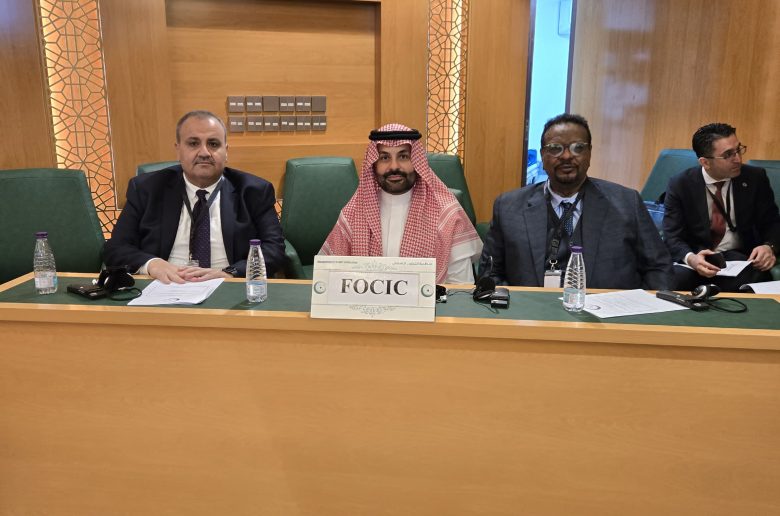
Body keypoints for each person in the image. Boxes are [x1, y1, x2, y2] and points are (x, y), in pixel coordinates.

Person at [479, 113, 673, 289]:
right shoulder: (508, 207)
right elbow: (490, 274)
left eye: (577, 148)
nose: (566, 156)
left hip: (607, 313)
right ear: (542, 155)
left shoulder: (627, 203)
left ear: (589, 153)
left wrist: (642, 310)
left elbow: (659, 267)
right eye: (555, 149)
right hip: (531, 313)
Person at [104, 110, 285, 283]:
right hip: (165, 284)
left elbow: (274, 249)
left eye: (213, 144)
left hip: (227, 284)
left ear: (226, 151)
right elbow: (116, 248)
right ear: (178, 150)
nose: (204, 153)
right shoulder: (147, 189)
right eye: (193, 143)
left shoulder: (254, 191)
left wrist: (230, 273)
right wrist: (152, 264)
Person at [320, 123, 482, 284]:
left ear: (416, 162)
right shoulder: (354, 212)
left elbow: (461, 286)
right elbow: (328, 276)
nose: (394, 167)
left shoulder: (446, 215)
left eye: (403, 157)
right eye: (384, 158)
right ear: (374, 165)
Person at [663, 122, 780, 291]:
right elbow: (672, 236)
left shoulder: (755, 178)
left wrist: (769, 246)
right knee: (670, 282)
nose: (738, 159)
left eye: (738, 150)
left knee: (751, 282)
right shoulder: (681, 184)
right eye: (728, 155)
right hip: (696, 258)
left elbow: (772, 222)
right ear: (705, 162)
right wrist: (691, 258)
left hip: (738, 258)